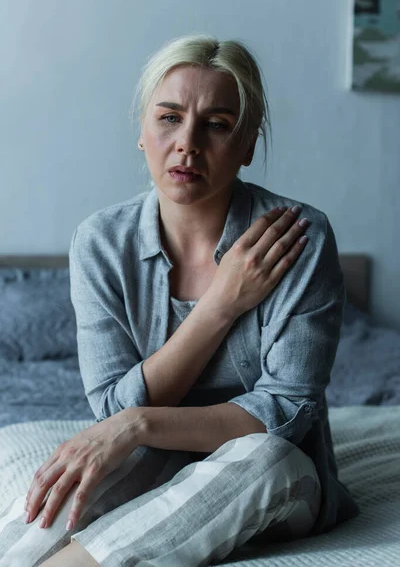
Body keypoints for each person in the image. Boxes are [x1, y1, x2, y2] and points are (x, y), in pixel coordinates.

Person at [0, 33, 359, 567]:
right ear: (143, 132)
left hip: (282, 479)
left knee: (262, 457)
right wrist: (222, 304)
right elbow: (112, 410)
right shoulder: (99, 241)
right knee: (77, 473)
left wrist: (140, 425)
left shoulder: (299, 237)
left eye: (216, 125)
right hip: (154, 456)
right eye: (169, 118)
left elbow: (287, 412)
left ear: (247, 145)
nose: (187, 143)